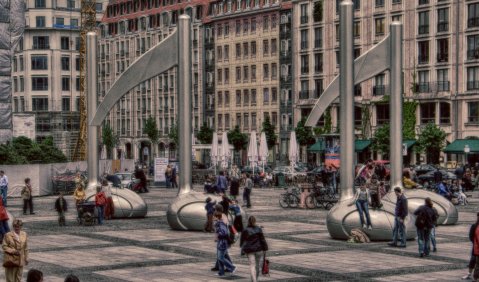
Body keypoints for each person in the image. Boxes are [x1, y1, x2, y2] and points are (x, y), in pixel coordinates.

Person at [240, 215, 269, 282]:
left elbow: (242, 241)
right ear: (255, 221)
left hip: (250, 250)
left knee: (252, 265)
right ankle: (255, 278)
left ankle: (254, 280)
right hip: (259, 249)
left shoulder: (245, 230)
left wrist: (242, 249)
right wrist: (265, 248)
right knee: (257, 265)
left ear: (248, 222)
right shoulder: (258, 229)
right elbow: (262, 240)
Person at [213, 211, 236, 277]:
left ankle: (232, 267)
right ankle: (221, 272)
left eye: (214, 216)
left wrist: (219, 235)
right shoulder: (218, 223)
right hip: (220, 242)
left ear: (217, 217)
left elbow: (224, 233)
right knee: (220, 257)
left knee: (221, 257)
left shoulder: (220, 223)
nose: (213, 217)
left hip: (222, 243)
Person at [465, 212, 479, 280]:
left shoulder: (474, 225)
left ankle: (472, 275)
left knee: (474, 261)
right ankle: (471, 275)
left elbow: (471, 237)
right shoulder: (474, 226)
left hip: (476, 247)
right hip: (476, 247)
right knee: (474, 261)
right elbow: (471, 237)